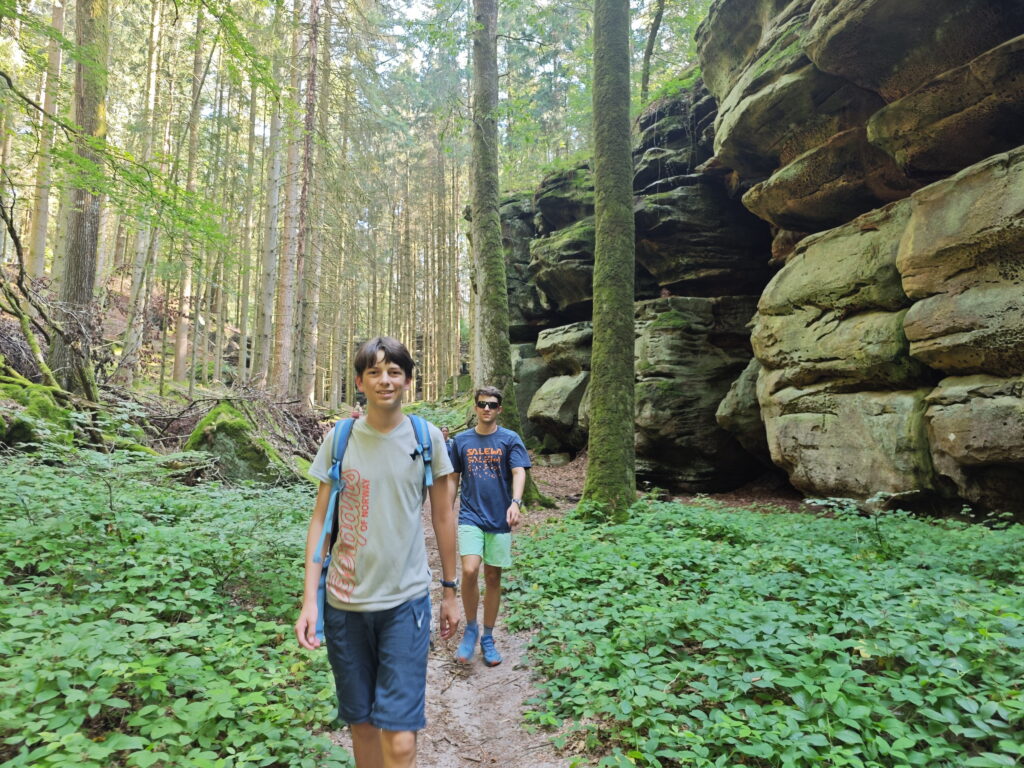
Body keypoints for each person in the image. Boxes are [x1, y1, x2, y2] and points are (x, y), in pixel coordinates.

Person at [295, 336, 460, 768]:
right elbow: (320, 522)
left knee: (401, 741)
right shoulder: (340, 438)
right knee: (363, 726)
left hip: (405, 604)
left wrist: (449, 589)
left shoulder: (427, 439)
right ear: (359, 382)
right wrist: (309, 599)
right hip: (344, 604)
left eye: (394, 372)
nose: (385, 380)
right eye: (375, 372)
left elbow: (443, 519)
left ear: (407, 380)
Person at [449, 386, 530, 666]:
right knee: (470, 570)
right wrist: (447, 509)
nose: (486, 408)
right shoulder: (461, 441)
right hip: (470, 516)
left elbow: (518, 471)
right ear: (475, 407)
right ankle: (470, 629)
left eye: (492, 405)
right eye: (482, 404)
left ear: (499, 409)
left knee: (493, 577)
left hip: (499, 518)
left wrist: (516, 502)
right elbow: (453, 478)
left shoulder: (509, 439)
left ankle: (488, 637)